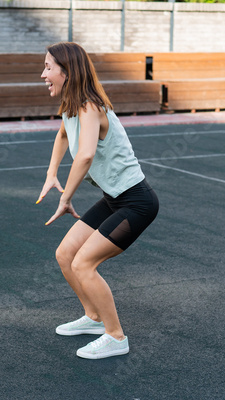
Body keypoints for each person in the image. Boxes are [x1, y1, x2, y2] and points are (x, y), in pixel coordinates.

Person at [36, 42, 159, 359]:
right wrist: (51, 174)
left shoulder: (91, 105)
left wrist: (66, 197)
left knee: (84, 264)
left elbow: (86, 154)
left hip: (137, 203)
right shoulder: (72, 106)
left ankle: (116, 337)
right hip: (114, 199)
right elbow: (63, 134)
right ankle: (93, 318)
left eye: (49, 68)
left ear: (66, 71)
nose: (43, 74)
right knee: (65, 254)